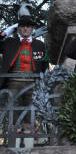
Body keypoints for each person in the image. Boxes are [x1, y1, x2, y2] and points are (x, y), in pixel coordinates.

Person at [0, 14, 49, 145]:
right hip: (13, 80)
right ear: (18, 29)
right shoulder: (9, 42)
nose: (25, 29)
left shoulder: (40, 44)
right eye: (22, 27)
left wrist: (43, 82)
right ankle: (14, 143)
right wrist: (6, 32)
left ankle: (28, 143)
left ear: (32, 29)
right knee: (13, 111)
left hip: (33, 82)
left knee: (30, 111)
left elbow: (45, 65)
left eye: (28, 27)